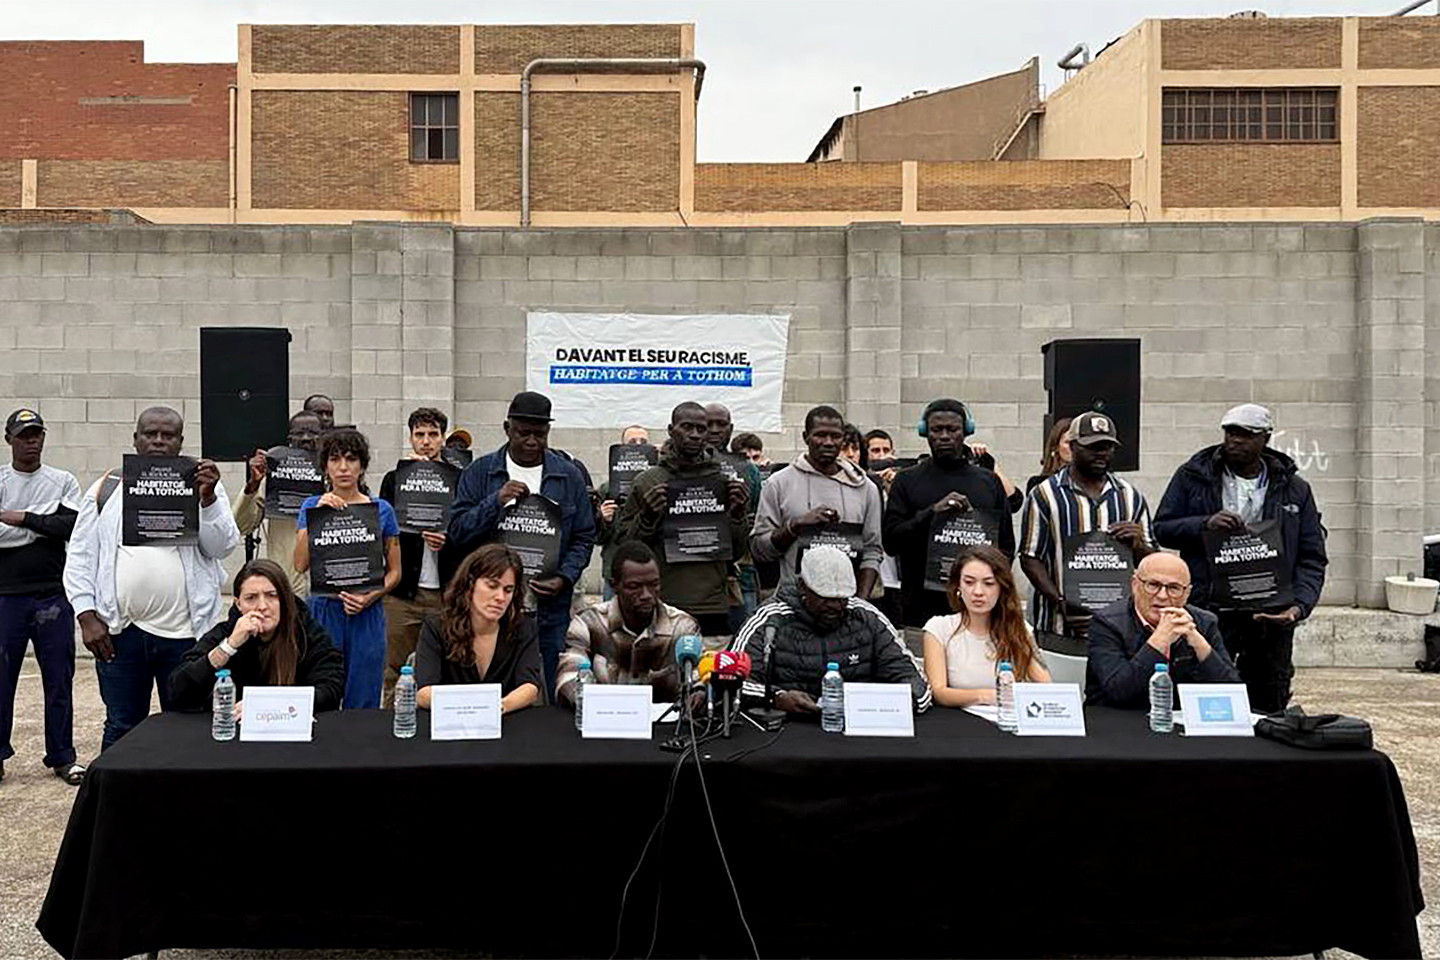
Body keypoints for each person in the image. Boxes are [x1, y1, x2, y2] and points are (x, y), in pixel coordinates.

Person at [64, 406, 240, 750]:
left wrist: (206, 501)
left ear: (180, 441)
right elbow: (81, 556)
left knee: (188, 726)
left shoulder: (202, 485)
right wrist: (86, 615)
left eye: (168, 435)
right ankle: (116, 788)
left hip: (186, 636)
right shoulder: (107, 488)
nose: (159, 441)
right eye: (150, 434)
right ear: (136, 439)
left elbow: (221, 547)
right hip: (120, 634)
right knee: (122, 727)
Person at [1153, 403, 1327, 713]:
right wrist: (1204, 524)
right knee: (1202, 697)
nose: (1235, 440)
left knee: (1268, 703)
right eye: (1230, 433)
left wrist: (1298, 607)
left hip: (1269, 615)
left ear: (1266, 438)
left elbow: (1312, 556)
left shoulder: (1294, 489)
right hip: (1211, 611)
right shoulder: (1194, 476)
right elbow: (1162, 528)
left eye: (1246, 434)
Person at [448, 391, 595, 692]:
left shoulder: (568, 476)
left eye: (539, 434)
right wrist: (495, 501)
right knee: (491, 688)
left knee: (551, 688)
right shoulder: (480, 472)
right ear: (507, 429)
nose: (532, 441)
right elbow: (458, 532)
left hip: (548, 608)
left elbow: (583, 536)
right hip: (490, 611)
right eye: (523, 433)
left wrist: (564, 577)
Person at [883, 399, 1016, 654]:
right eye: (936, 429)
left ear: (966, 431)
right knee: (923, 677)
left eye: (952, 429)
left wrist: (985, 586)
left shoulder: (989, 482)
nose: (944, 436)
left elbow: (1006, 546)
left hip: (977, 613)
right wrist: (932, 513)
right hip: (921, 613)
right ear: (925, 432)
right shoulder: (906, 481)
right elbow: (891, 541)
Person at [731, 545, 931, 714]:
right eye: (825, 597)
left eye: (842, 598)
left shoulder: (867, 617)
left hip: (859, 729)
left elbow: (918, 687)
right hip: (788, 730)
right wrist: (775, 697)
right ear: (802, 587)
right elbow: (729, 682)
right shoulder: (770, 619)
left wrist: (877, 706)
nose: (835, 606)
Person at [615, 402, 749, 639]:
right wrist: (647, 517)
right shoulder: (648, 481)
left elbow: (736, 552)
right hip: (662, 603)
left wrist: (738, 516)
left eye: (701, 429)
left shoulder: (722, 482)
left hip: (712, 605)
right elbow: (626, 550)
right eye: (687, 427)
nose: (695, 435)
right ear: (671, 430)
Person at [0, 409, 84, 784]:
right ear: (9, 440)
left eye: (36, 434)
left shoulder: (62, 480)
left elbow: (71, 527)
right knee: (2, 680)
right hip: (7, 597)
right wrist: (44, 524)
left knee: (59, 679)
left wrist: (21, 518)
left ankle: (62, 757)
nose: (31, 441)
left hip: (52, 596)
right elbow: (54, 525)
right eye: (23, 435)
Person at [1019, 411, 1153, 644]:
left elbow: (1152, 563)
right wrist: (1060, 603)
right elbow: (1030, 557)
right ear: (1072, 447)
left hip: (1120, 630)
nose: (1101, 453)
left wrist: (1138, 544)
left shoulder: (1131, 497)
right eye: (1092, 447)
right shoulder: (1044, 495)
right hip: (1059, 629)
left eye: (1107, 447)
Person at [294, 427, 402, 709]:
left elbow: (395, 572)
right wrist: (318, 515)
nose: (343, 467)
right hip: (324, 608)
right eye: (335, 459)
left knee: (364, 696)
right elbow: (299, 564)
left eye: (351, 459)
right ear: (325, 466)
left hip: (366, 610)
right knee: (321, 690)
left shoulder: (381, 510)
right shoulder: (311, 506)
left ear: (362, 466)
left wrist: (370, 597)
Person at [169, 559, 345, 713]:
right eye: (251, 598)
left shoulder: (306, 632)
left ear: (285, 600)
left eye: (272, 596)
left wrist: (266, 706)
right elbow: (178, 691)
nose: (262, 606)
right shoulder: (225, 633)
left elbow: (331, 689)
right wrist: (228, 647)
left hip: (290, 728)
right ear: (238, 604)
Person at [751, 405, 885, 601]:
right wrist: (794, 526)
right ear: (806, 437)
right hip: (794, 602)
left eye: (835, 436)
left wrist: (859, 602)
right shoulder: (778, 483)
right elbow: (760, 550)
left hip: (847, 602)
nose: (828, 442)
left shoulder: (866, 488)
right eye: (820, 435)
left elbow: (872, 551)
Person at [378, 407, 462, 707]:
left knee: (448, 665)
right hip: (403, 592)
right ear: (411, 438)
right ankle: (392, 720)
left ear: (443, 438)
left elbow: (468, 530)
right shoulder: (394, 479)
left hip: (446, 591)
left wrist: (447, 540)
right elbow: (383, 530)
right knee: (395, 667)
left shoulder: (459, 479)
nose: (426, 441)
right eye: (419, 435)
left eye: (433, 434)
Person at [555, 540, 702, 708]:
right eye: (634, 587)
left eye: (654, 585)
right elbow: (568, 676)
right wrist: (590, 703)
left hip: (666, 723)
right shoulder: (588, 623)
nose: (646, 595)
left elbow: (697, 679)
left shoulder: (682, 627)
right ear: (614, 586)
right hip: (602, 718)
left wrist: (699, 693)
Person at [1085, 552, 1239, 708]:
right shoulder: (1106, 623)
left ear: (1187, 594)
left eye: (1174, 588)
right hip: (1117, 717)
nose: (1162, 596)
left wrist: (1199, 643)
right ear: (1135, 585)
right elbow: (1120, 690)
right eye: (1153, 585)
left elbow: (1233, 693)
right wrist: (1160, 639)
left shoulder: (1204, 622)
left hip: (1179, 717)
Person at [414, 543, 542, 715]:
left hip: (506, 720)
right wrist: (472, 709)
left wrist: (496, 708)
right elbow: (423, 693)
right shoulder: (436, 626)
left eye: (508, 590)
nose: (500, 597)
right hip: (450, 721)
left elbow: (530, 687)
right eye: (492, 586)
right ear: (470, 584)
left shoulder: (524, 627)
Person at [922, 545, 1050, 708]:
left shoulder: (1018, 628)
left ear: (1002, 588)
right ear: (958, 586)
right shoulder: (939, 629)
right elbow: (938, 693)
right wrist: (988, 695)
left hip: (1008, 717)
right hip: (959, 719)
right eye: (969, 582)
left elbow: (1047, 687)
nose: (978, 592)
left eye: (989, 583)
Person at [232, 410, 323, 598]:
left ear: (323, 437)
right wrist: (253, 485)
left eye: (313, 433)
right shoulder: (273, 479)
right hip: (288, 589)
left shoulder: (338, 477)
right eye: (299, 433)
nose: (306, 438)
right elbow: (241, 526)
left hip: (328, 587)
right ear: (289, 439)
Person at [703, 402, 763, 628]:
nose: (715, 430)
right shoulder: (685, 469)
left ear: (731, 428)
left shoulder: (748, 470)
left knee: (743, 640)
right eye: (708, 424)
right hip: (696, 574)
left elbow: (758, 515)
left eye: (721, 424)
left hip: (741, 575)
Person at [595, 424, 651, 598]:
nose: (638, 445)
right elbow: (597, 538)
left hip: (650, 569)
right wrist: (603, 520)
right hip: (615, 571)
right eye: (632, 442)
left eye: (643, 442)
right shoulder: (607, 490)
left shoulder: (657, 484)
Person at [1026, 417, 1073, 493]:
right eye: (1067, 442)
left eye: (1076, 442)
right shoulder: (1039, 483)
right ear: (1056, 446)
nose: (1073, 447)